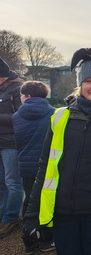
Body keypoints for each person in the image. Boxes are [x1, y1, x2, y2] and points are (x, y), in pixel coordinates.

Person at [22, 48, 91, 255]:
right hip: (62, 214)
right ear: (80, 84)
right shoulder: (60, 117)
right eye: (88, 81)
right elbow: (45, 166)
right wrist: (32, 215)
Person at [13, 81, 55, 253]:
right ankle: (46, 239)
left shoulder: (16, 116)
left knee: (30, 200)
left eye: (21, 96)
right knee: (48, 201)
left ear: (28, 96)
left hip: (26, 166)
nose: (20, 99)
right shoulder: (54, 114)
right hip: (48, 167)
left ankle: (29, 240)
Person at [0, 57, 24, 238]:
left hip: (11, 143)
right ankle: (2, 215)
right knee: (2, 183)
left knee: (13, 182)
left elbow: (21, 116)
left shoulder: (17, 89)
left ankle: (11, 218)